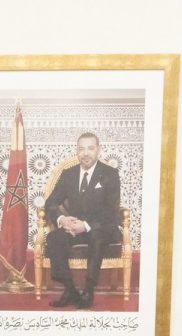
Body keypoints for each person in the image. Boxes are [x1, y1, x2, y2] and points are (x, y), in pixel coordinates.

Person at [42, 131, 122, 308]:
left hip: (101, 227)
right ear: (76, 151)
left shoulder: (110, 174)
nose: (85, 153)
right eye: (81, 149)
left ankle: (88, 290)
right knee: (54, 238)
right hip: (73, 228)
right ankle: (70, 290)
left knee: (97, 236)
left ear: (98, 149)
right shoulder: (68, 174)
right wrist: (62, 219)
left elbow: (111, 211)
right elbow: (51, 203)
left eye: (90, 148)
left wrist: (85, 226)